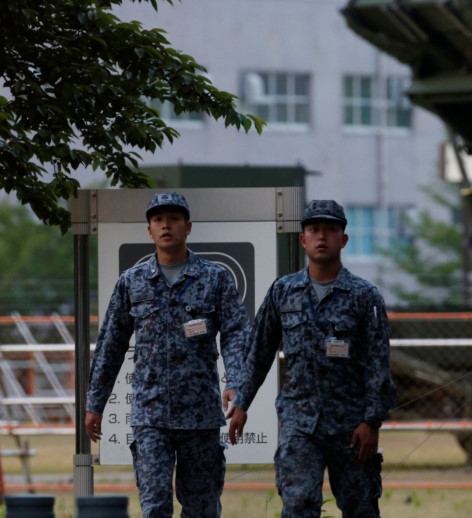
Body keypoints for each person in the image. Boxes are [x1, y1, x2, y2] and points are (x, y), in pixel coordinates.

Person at [85, 192, 251, 518]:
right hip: (151, 415)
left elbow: (235, 335)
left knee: (201, 509)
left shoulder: (214, 278)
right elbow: (110, 346)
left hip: (200, 415)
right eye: (158, 220)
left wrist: (236, 381)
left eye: (173, 219)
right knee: (155, 507)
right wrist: (95, 403)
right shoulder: (132, 283)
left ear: (188, 227)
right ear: (149, 230)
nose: (166, 226)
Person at [228, 199, 396, 518]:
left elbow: (378, 363)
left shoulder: (364, 296)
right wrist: (243, 401)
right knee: (299, 504)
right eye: (314, 229)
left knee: (361, 507)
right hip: (299, 422)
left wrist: (371, 421)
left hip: (351, 422)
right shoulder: (283, 291)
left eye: (331, 230)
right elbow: (259, 350)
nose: (322, 236)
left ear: (343, 240)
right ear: (302, 239)